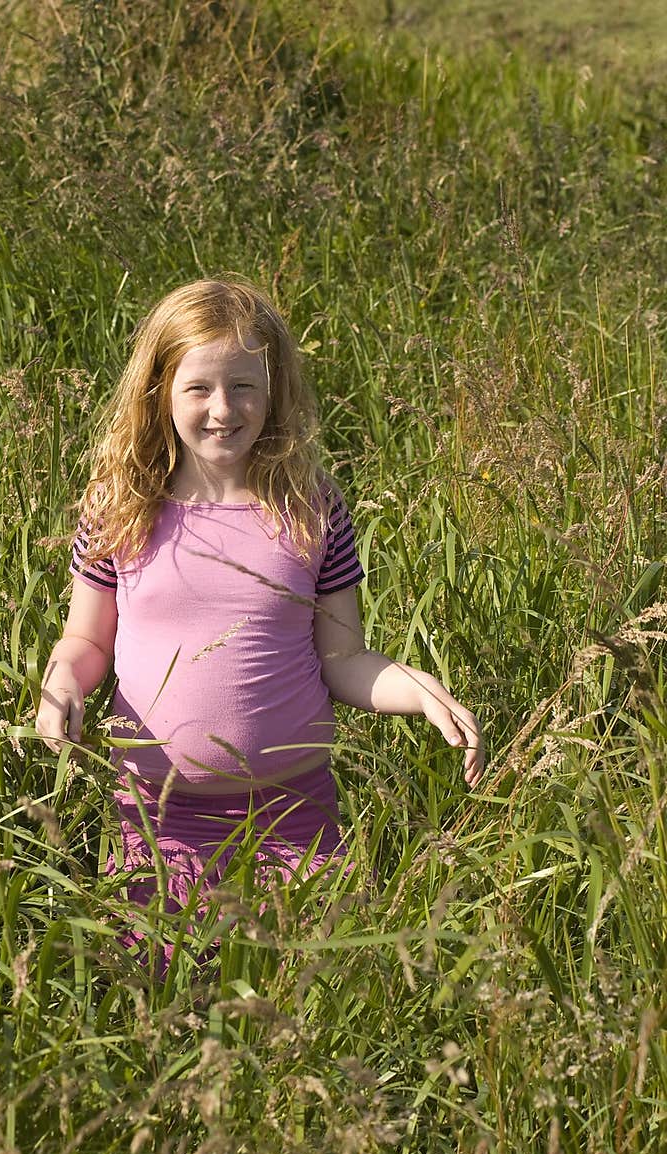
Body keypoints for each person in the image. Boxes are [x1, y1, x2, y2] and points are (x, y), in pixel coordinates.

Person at [35, 276, 485, 967]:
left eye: (244, 385)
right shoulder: (120, 505)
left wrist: (419, 689)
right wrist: (62, 683)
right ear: (159, 391)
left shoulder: (309, 508)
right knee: (161, 999)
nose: (223, 409)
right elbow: (88, 639)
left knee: (316, 992)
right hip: (159, 820)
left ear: (273, 389)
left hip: (293, 815)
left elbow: (343, 661)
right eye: (199, 388)